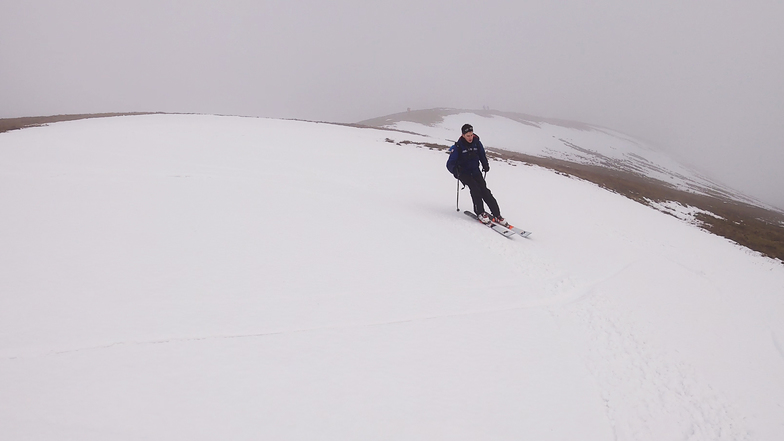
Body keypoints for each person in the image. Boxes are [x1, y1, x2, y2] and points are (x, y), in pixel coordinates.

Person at [446, 124, 508, 226]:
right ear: (463, 135)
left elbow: (482, 155)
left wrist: (485, 165)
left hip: (475, 171)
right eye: (468, 135)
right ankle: (480, 212)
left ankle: (497, 215)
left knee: (485, 191)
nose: (470, 137)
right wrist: (456, 172)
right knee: (475, 189)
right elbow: (449, 164)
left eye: (471, 135)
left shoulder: (477, 143)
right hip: (464, 173)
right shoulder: (458, 146)